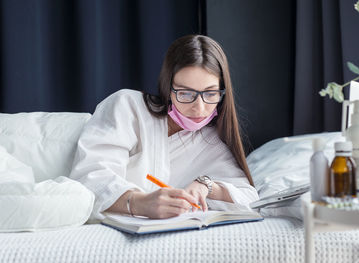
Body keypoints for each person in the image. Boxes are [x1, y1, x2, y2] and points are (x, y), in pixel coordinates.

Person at [70, 34, 259, 221]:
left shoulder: (212, 142)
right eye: (185, 93)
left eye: (210, 94)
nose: (199, 108)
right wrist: (140, 203)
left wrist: (206, 185)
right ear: (168, 88)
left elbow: (250, 199)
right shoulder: (128, 107)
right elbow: (88, 178)